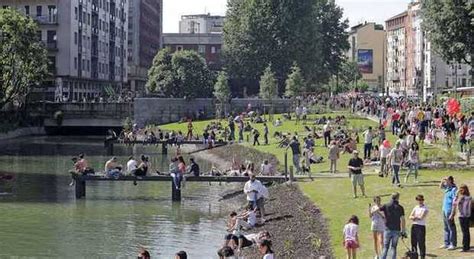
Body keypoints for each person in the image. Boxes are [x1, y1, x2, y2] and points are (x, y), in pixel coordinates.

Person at [379, 192, 406, 259]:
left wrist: (383, 217)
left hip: (387, 229)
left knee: (385, 247)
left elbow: (378, 209)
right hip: (396, 229)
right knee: (393, 247)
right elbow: (403, 219)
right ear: (397, 198)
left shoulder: (386, 205)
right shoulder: (400, 207)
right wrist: (403, 231)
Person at [440, 176, 458, 250]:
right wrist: (442, 180)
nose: (445, 182)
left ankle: (453, 244)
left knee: (451, 228)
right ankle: (446, 243)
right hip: (444, 209)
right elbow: (441, 186)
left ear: (450, 181)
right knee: (446, 227)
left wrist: (452, 213)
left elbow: (455, 202)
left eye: (446, 180)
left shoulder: (454, 189)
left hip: (449, 210)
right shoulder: (447, 188)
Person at [409, 194, 429, 259]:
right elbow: (410, 216)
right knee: (413, 242)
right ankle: (414, 255)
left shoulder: (425, 208)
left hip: (421, 226)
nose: (420, 201)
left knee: (421, 242)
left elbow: (421, 217)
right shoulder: (416, 207)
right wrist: (415, 217)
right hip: (414, 225)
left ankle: (422, 256)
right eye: (418, 200)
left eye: (421, 200)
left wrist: (414, 217)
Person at [452, 184, 471, 252]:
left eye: (461, 189)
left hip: (463, 216)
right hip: (468, 216)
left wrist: (456, 194)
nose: (460, 190)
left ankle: (465, 247)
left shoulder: (462, 197)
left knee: (464, 232)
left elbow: (454, 203)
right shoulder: (469, 197)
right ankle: (467, 246)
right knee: (467, 232)